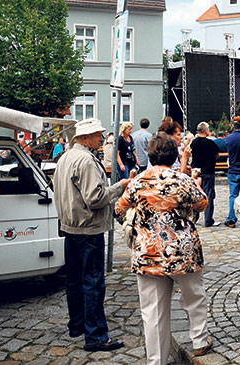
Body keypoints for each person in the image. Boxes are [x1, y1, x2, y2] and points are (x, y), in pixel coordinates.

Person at [114, 133, 212, 365]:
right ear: (173, 155)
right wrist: (196, 185)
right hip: (183, 251)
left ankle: (156, 359)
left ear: (149, 154)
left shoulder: (138, 181)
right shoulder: (182, 180)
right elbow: (202, 203)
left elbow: (118, 211)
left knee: (152, 311)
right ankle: (199, 342)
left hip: (148, 254)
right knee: (194, 298)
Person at [53, 118, 132, 352]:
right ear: (85, 137)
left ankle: (77, 325)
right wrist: (121, 187)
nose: (101, 138)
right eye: (98, 134)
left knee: (74, 280)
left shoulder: (65, 158)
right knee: (93, 282)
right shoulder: (86, 160)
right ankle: (95, 336)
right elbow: (95, 198)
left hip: (71, 227)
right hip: (88, 229)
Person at [190, 122, 221, 227]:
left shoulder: (193, 142)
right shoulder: (210, 143)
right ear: (206, 131)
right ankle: (208, 220)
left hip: (196, 172)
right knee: (209, 195)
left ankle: (194, 218)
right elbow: (217, 154)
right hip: (208, 171)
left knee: (195, 195)